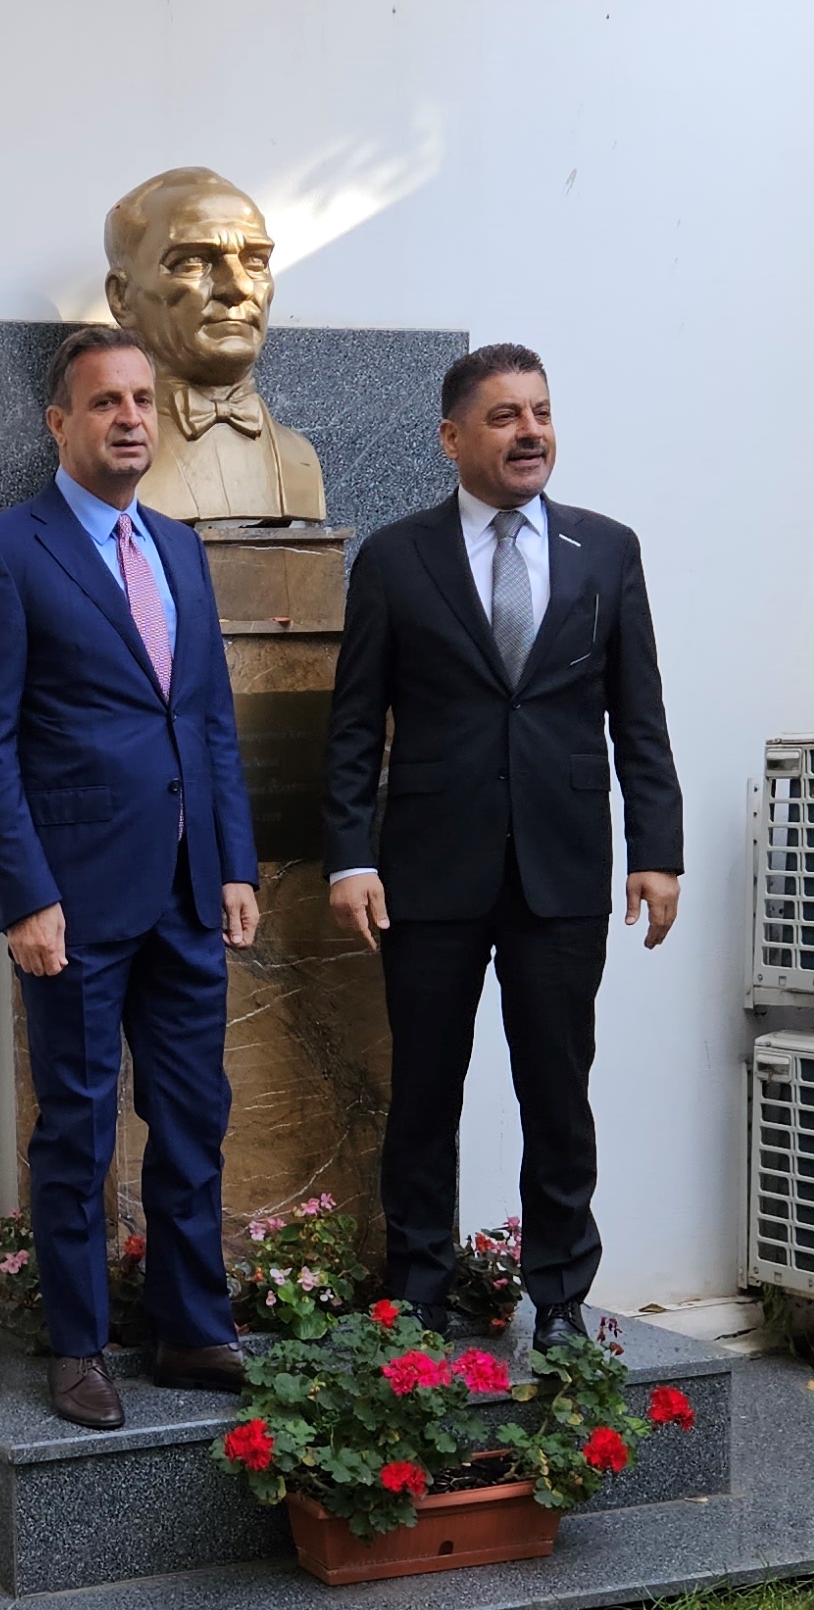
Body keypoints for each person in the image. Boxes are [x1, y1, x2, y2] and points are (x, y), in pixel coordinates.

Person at [323, 343, 682, 1352]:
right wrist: (350, 855)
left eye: (541, 412)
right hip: (428, 872)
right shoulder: (396, 557)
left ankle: (560, 1299)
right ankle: (417, 1295)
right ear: (450, 437)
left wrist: (656, 849)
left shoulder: (605, 550)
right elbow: (352, 725)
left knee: (558, 1096)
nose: (530, 433)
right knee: (423, 1094)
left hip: (561, 872)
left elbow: (638, 715)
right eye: (504, 416)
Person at [0, 324, 260, 1429]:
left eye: (140, 399)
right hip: (71, 903)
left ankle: (192, 1327)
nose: (129, 417)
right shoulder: (4, 553)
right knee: (77, 1130)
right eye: (104, 401)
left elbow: (207, 720)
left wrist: (231, 863)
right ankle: (79, 1347)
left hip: (186, 893)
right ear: (59, 423)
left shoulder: (176, 547)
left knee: (193, 1114)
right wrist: (25, 896)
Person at [104, 166, 325, 524]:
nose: (238, 287)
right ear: (121, 298)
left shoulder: (301, 459)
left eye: (256, 261)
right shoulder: (104, 466)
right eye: (193, 261)